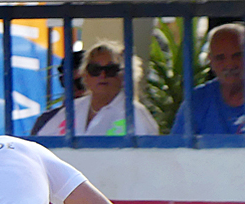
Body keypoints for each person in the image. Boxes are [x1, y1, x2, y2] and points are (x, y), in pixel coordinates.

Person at [31, 41, 159, 137]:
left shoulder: (135, 113)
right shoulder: (71, 110)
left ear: (125, 75)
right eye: (95, 70)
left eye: (111, 70)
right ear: (85, 75)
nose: (102, 75)